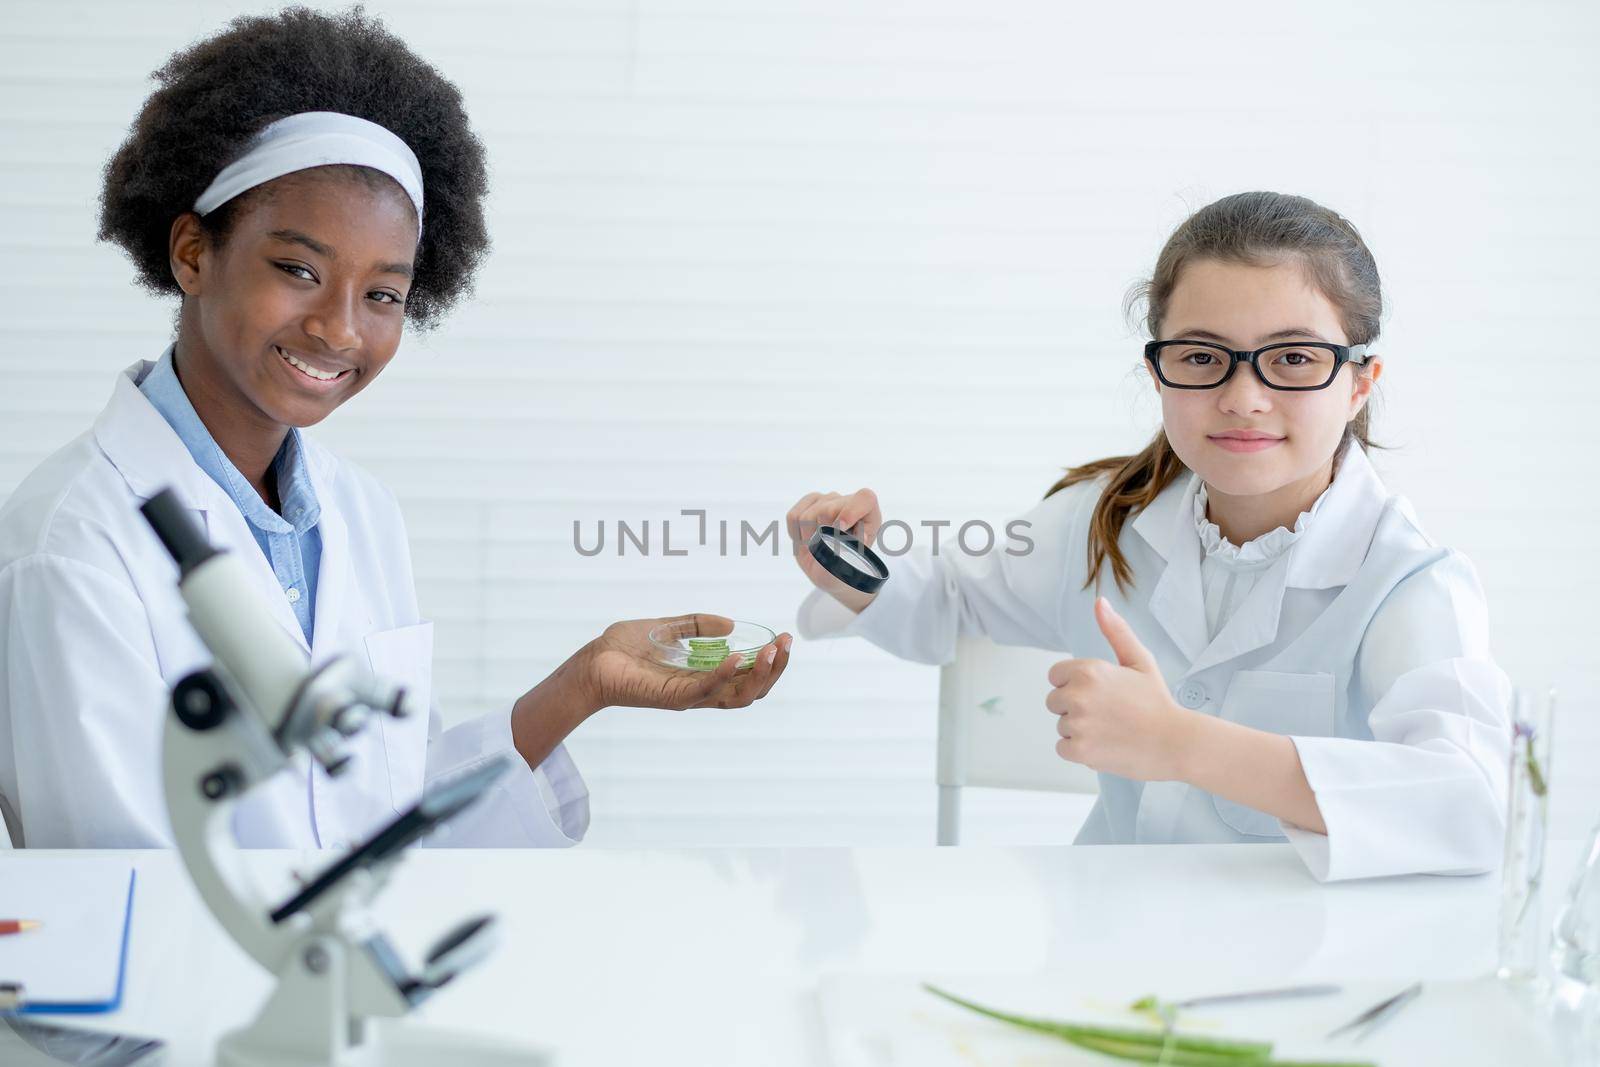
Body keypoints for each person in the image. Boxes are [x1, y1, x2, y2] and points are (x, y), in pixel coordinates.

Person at [0, 7, 791, 850]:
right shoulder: (72, 549)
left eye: (382, 294)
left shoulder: (360, 514)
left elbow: (383, 823)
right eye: (298, 269)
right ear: (192, 252)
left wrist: (583, 684)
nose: (340, 330)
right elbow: (128, 894)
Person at [788, 191, 1509, 882]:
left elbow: (1467, 806)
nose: (1242, 397)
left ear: (1358, 383)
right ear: (1157, 371)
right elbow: (946, 601)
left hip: (1304, 965)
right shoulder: (1103, 522)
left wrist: (1183, 744)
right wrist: (848, 563)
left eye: (1293, 358)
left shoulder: (1408, 580)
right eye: (1201, 356)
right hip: (1105, 939)